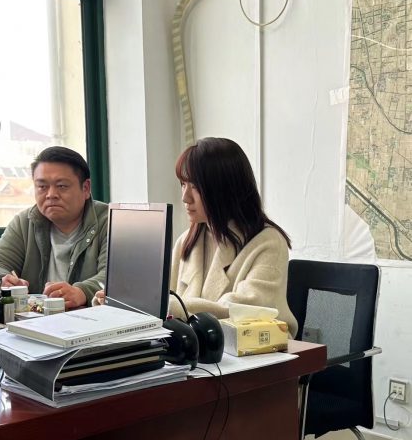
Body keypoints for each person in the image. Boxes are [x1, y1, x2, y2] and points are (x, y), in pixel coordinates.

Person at [96, 137, 298, 337]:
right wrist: (123, 304)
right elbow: (162, 301)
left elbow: (243, 311)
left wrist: (162, 306)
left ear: (224, 188)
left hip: (256, 351)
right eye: (183, 184)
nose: (185, 197)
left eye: (194, 186)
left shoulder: (269, 243)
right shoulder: (188, 241)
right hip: (197, 349)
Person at [0, 146, 107, 310]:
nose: (51, 194)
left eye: (61, 186)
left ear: (85, 188)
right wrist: (3, 280)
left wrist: (82, 292)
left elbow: (117, 276)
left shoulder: (111, 222)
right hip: (35, 319)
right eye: (42, 187)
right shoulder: (25, 222)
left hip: (93, 321)